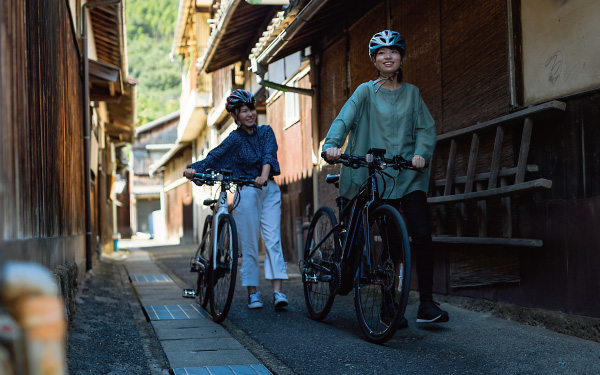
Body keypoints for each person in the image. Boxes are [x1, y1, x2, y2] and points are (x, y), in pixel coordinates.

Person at [323, 30, 449, 324]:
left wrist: (421, 152)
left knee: (422, 236)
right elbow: (345, 118)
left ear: (402, 57)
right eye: (381, 53)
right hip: (375, 174)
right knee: (391, 243)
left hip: (407, 173)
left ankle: (427, 305)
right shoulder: (365, 91)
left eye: (394, 51)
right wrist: (332, 145)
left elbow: (425, 129)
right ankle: (388, 305)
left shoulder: (413, 94)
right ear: (374, 60)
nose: (388, 56)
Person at [183, 89, 289, 311]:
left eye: (251, 108)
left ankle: (278, 291)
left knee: (273, 241)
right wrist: (193, 169)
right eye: (244, 111)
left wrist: (263, 174)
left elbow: (269, 155)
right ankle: (253, 293)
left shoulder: (266, 132)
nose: (250, 114)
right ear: (234, 115)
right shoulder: (234, 139)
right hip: (246, 192)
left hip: (269, 189)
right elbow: (214, 156)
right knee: (249, 244)